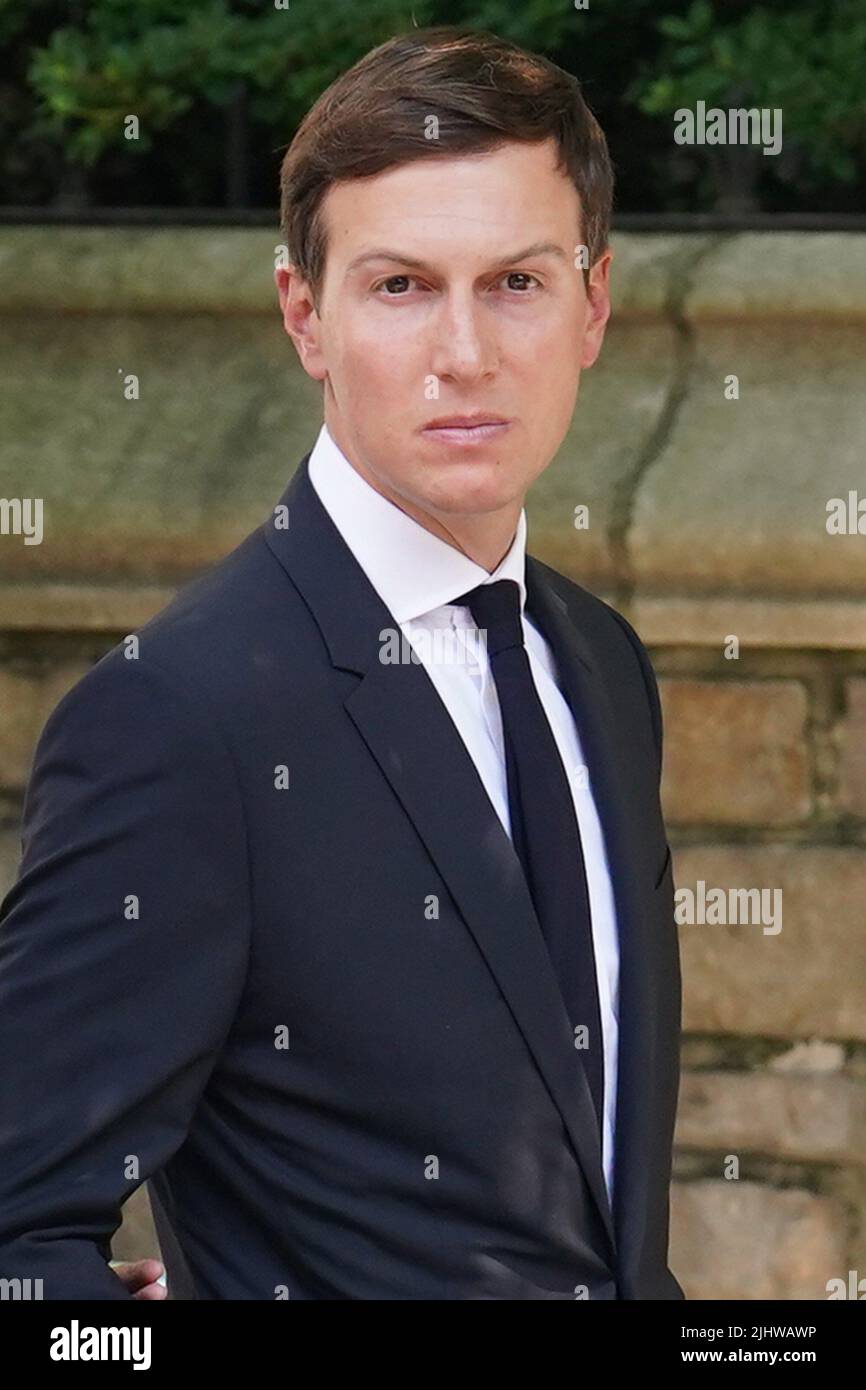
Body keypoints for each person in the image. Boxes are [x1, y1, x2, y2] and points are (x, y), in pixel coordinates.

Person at [0, 25, 682, 1300]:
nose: (465, 353)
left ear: (593, 304)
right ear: (304, 315)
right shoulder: (178, 717)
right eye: (401, 286)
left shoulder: (598, 663)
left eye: (516, 283)